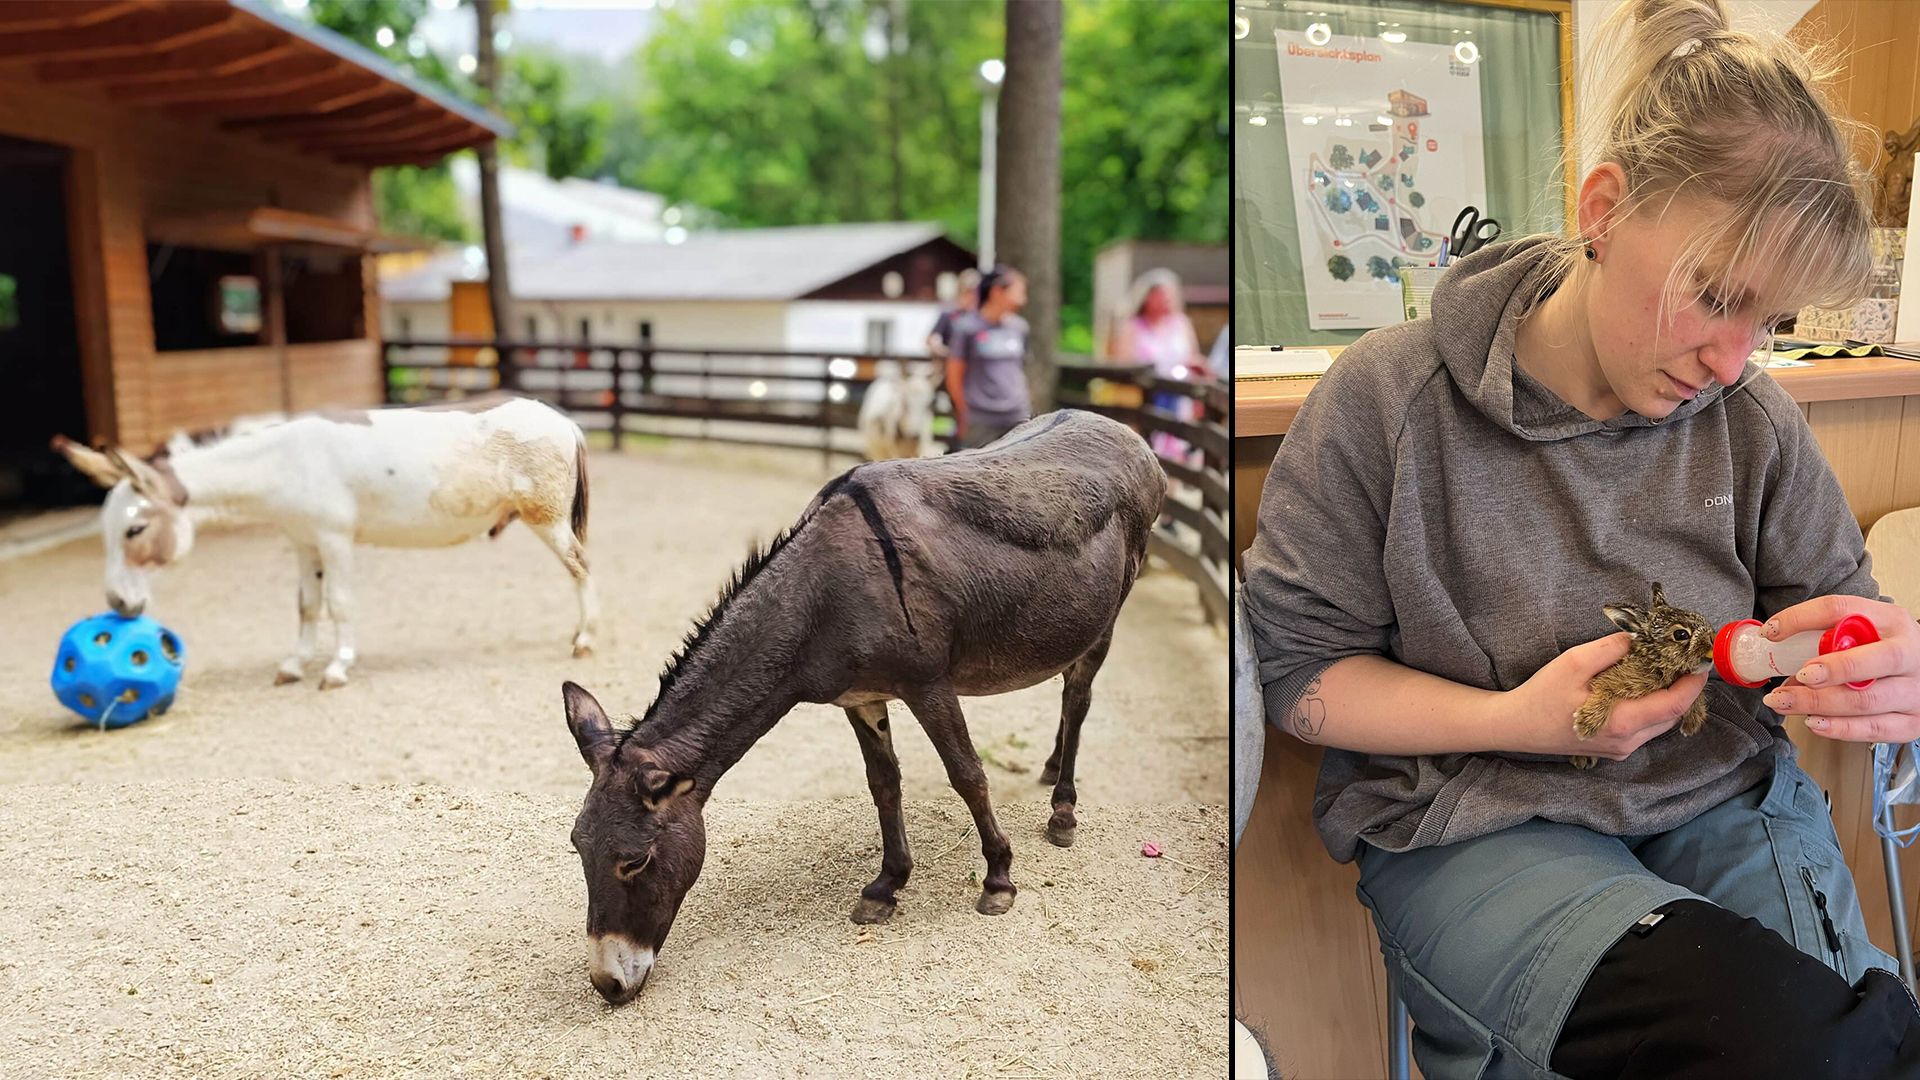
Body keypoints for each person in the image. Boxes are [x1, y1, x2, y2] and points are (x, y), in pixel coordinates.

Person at [1243, 2, 1920, 1077]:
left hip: (1719, 794)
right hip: (1470, 820)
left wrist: (1878, 664)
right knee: (1789, 1043)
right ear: (1604, 210)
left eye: (1770, 322)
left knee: (1853, 1038)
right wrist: (1519, 719)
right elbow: (1300, 679)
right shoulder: (1386, 399)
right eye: (1714, 295)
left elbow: (1840, 616)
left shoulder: (1753, 423)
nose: (1733, 360)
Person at [1115, 268, 1209, 463]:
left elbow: (1193, 356)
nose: (1167, 300)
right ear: (1147, 297)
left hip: (1181, 398)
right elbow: (1122, 363)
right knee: (1148, 452)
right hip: (1146, 400)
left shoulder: (1182, 324)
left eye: (1170, 295)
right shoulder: (1132, 327)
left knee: (1177, 451)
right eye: (1162, 295)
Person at [947, 264, 1032, 450]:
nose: (1023, 300)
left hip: (1017, 416)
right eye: (1019, 292)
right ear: (997, 292)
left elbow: (1020, 370)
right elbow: (954, 376)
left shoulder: (1019, 328)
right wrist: (963, 414)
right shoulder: (967, 328)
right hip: (980, 419)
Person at [926, 267, 981, 363]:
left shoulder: (980, 315)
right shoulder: (949, 313)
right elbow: (932, 339)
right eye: (968, 291)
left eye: (975, 292)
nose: (972, 295)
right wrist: (946, 352)